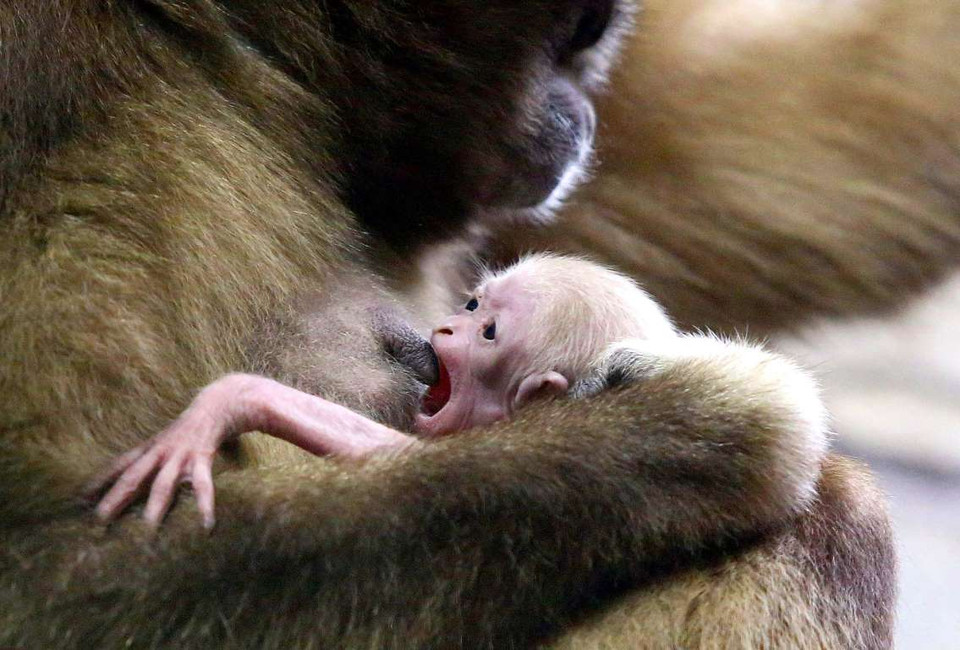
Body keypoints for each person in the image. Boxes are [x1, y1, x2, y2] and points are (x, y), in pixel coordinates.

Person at [91, 254, 799, 529]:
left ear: (540, 399)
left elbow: (256, 396)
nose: (445, 330)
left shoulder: (505, 493)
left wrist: (219, 408)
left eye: (487, 331)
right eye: (469, 305)